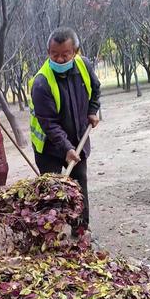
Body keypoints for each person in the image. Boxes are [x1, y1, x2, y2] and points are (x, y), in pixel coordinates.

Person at [29, 27, 101, 239]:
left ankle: (80, 230)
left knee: (79, 186)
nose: (60, 59)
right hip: (49, 147)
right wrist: (66, 148)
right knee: (52, 191)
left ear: (75, 52)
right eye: (54, 55)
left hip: (78, 139)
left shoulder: (84, 66)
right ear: (48, 52)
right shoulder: (41, 83)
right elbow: (48, 124)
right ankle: (51, 235)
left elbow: (96, 89)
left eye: (65, 54)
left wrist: (92, 111)